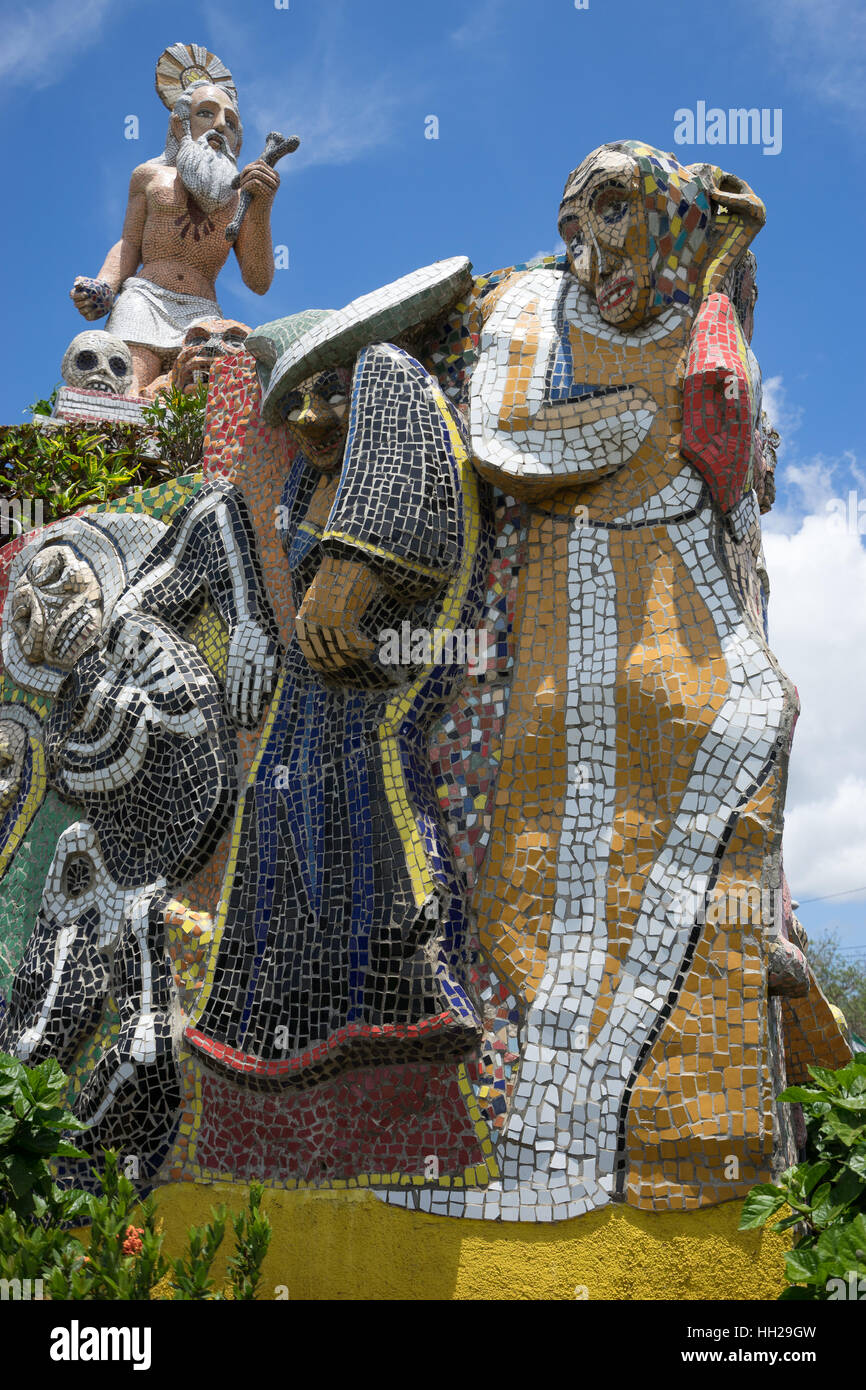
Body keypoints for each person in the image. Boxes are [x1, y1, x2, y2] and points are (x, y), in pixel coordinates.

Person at [186, 269, 495, 1088]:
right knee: (280, 801)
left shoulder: (392, 382)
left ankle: (402, 987)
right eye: (288, 406)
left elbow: (409, 493)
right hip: (306, 685)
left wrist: (348, 579)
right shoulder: (298, 480)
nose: (310, 418)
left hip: (378, 661)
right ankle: (281, 1015)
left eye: (327, 393)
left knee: (365, 785)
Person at [70, 46, 280, 395]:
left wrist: (261, 207)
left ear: (238, 140)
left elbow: (258, 280)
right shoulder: (148, 177)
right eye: (206, 113)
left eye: (230, 122)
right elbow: (130, 243)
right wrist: (105, 285)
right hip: (143, 301)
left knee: (203, 400)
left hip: (203, 313)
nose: (219, 126)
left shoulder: (242, 198)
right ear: (180, 122)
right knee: (124, 389)